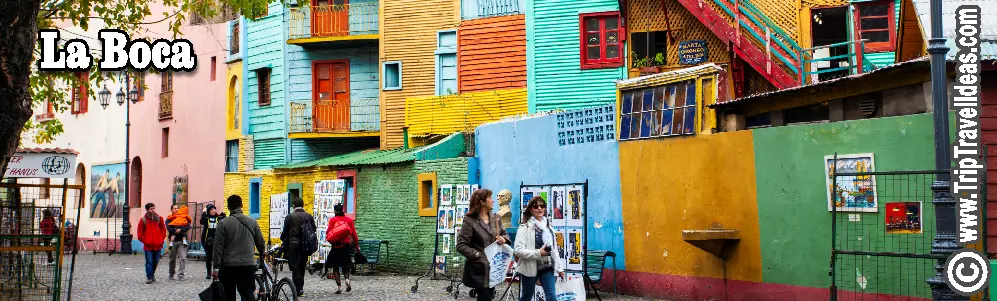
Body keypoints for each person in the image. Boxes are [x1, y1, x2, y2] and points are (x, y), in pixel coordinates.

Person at [455, 188, 510, 301]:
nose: (493, 200)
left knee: (487, 296)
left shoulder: (496, 218)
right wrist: (477, 255)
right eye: (490, 198)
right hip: (478, 270)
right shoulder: (469, 220)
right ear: (482, 202)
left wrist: (503, 239)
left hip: (494, 267)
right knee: (485, 297)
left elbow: (505, 234)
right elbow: (461, 245)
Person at [212, 195, 266, 301]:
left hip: (228, 266)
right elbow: (260, 242)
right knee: (247, 294)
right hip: (248, 265)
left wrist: (216, 268)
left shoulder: (223, 224)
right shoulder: (252, 222)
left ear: (228, 207)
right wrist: (262, 255)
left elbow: (218, 248)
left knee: (228, 295)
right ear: (241, 205)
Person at [514, 196, 565, 301]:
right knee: (527, 297)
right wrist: (538, 253)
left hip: (547, 266)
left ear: (545, 208)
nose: (539, 208)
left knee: (551, 296)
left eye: (542, 206)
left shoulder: (548, 227)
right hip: (529, 267)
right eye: (536, 206)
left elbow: (554, 250)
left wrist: (560, 268)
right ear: (531, 209)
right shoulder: (525, 227)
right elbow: (518, 250)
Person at [280, 196, 317, 297]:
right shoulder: (308, 216)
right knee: (301, 266)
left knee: (295, 267)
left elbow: (285, 232)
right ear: (302, 205)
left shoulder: (290, 216)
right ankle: (300, 288)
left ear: (294, 206)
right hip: (305, 245)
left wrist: (282, 239)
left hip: (293, 245)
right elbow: (313, 229)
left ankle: (297, 288)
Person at [324, 203, 359, 294]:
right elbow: (354, 234)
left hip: (336, 246)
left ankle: (339, 287)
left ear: (335, 211)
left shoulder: (333, 220)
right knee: (345, 265)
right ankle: (347, 279)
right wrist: (357, 246)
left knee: (335, 267)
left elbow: (328, 232)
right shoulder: (349, 220)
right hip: (346, 246)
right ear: (342, 210)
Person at [137, 203, 167, 284]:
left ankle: (152, 274)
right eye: (151, 209)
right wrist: (146, 241)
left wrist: (161, 239)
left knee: (156, 261)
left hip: (158, 245)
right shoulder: (143, 220)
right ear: (147, 210)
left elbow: (163, 230)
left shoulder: (159, 219)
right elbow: (140, 234)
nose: (153, 210)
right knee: (149, 261)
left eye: (154, 208)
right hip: (148, 246)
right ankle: (149, 277)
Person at [166, 204, 192, 280]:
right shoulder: (169, 218)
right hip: (173, 241)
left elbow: (188, 226)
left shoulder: (183, 216)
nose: (176, 210)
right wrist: (175, 230)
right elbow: (168, 227)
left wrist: (181, 230)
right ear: (172, 210)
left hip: (182, 241)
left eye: (177, 208)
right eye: (174, 208)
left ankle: (181, 274)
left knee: (183, 258)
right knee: (172, 259)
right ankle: (171, 273)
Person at [201, 204, 224, 279]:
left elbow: (224, 222)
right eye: (211, 209)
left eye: (214, 209)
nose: (213, 211)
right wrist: (203, 213)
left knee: (217, 257)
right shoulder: (206, 218)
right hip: (207, 240)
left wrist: (223, 215)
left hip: (217, 241)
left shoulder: (218, 218)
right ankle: (208, 272)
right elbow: (202, 222)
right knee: (209, 257)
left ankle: (216, 272)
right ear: (208, 211)